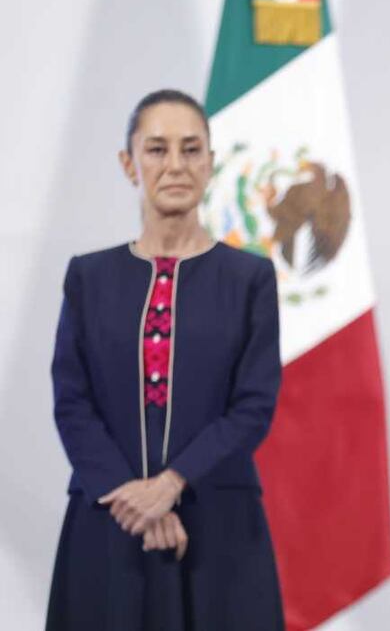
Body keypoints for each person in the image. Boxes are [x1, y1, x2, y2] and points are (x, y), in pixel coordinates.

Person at [47, 90, 284, 629]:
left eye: (190, 149)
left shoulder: (250, 279)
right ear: (129, 164)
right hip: (109, 519)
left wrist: (171, 484)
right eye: (156, 149)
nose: (174, 165)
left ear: (211, 162)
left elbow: (252, 406)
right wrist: (134, 499)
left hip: (219, 525)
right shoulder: (88, 277)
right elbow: (72, 402)